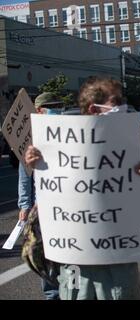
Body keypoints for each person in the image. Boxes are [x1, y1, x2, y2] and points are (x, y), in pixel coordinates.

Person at [25, 77, 140, 300]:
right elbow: (50, 200)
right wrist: (35, 164)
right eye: (116, 102)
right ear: (95, 108)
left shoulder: (127, 145)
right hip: (75, 263)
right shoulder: (59, 146)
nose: (123, 107)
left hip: (118, 263)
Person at [18, 92, 64, 300]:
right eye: (52, 106)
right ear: (38, 111)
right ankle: (52, 294)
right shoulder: (31, 139)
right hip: (44, 208)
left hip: (70, 205)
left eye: (59, 105)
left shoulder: (70, 132)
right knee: (47, 254)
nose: (58, 109)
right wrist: (25, 205)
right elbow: (25, 175)